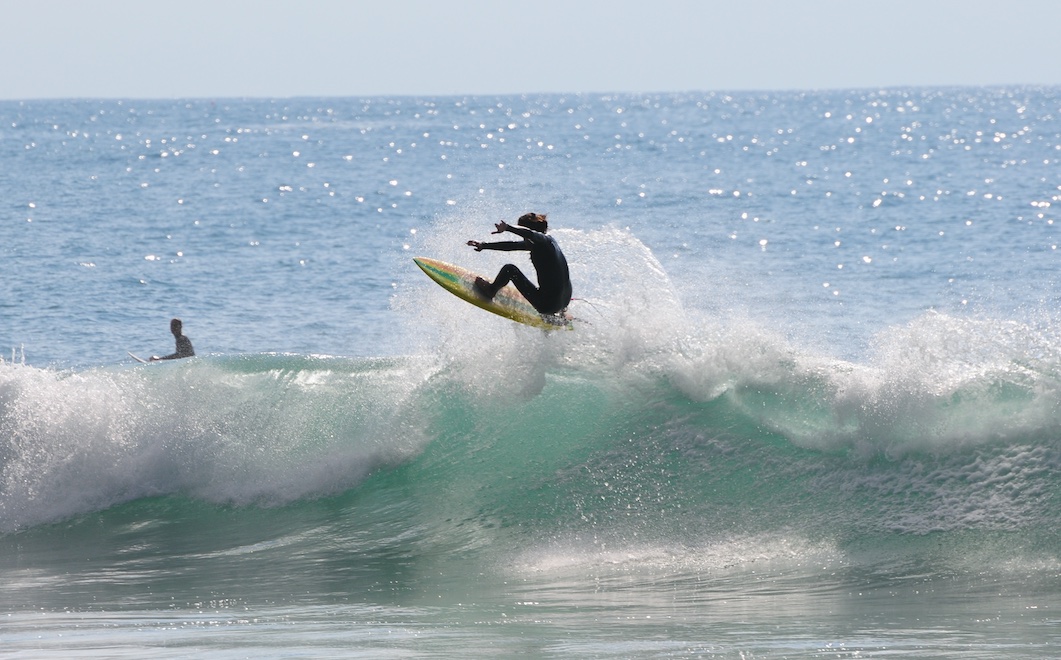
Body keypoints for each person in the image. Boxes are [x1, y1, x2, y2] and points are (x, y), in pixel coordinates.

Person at [466, 212, 572, 315]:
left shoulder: (541, 240)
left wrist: (508, 228)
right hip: (564, 301)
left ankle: (490, 290)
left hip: (547, 305)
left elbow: (530, 234)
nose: (523, 238)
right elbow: (512, 245)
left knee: (510, 270)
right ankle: (562, 314)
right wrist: (484, 245)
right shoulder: (548, 243)